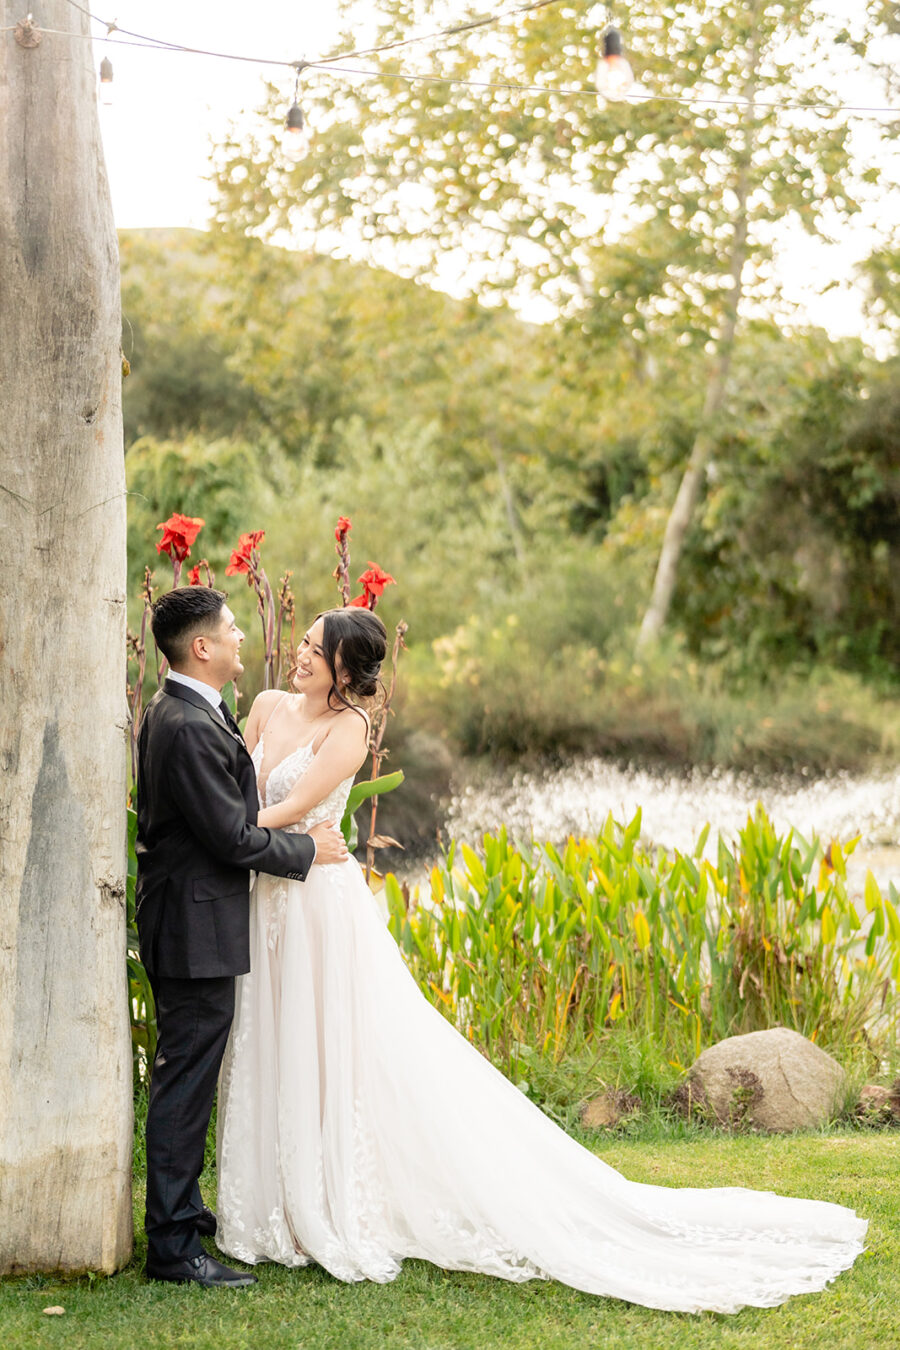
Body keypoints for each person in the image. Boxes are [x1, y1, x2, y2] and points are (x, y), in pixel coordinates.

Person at [216, 607, 867, 1314]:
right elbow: (241, 790)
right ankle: (273, 1199)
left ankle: (325, 1203)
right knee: (270, 1037)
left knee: (326, 1046)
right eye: (305, 642)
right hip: (264, 896)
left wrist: (222, 823)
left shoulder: (350, 729)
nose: (302, 655)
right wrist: (228, 815)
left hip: (315, 905)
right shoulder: (264, 707)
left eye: (317, 649)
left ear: (347, 670)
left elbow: (292, 810)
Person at [135, 586, 349, 1289]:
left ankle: (185, 1219)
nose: (240, 639)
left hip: (198, 918)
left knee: (192, 1071)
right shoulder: (188, 724)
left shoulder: (195, 709)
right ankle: (172, 1246)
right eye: (230, 630)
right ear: (202, 648)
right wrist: (307, 852)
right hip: (193, 924)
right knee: (186, 1080)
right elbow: (230, 835)